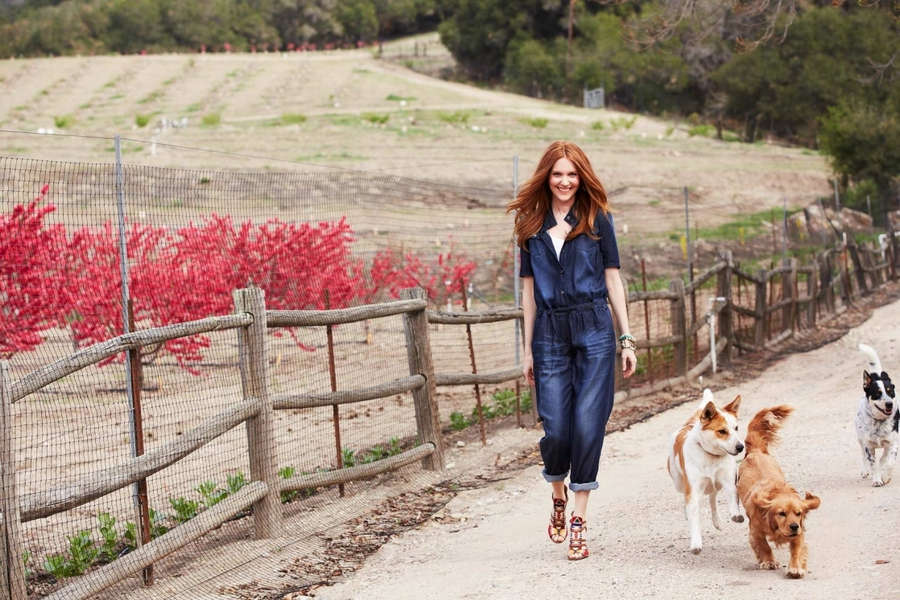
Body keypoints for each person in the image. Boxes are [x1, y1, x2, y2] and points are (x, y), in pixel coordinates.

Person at [508, 140, 636, 561]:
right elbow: (527, 293)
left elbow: (613, 280)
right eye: (558, 174)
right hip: (549, 333)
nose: (565, 182)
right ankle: (557, 492)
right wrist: (527, 349)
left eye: (572, 174)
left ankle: (579, 518)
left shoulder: (599, 220)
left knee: (587, 425)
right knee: (557, 428)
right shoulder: (530, 225)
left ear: (582, 177)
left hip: (595, 329)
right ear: (547, 176)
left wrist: (626, 337)